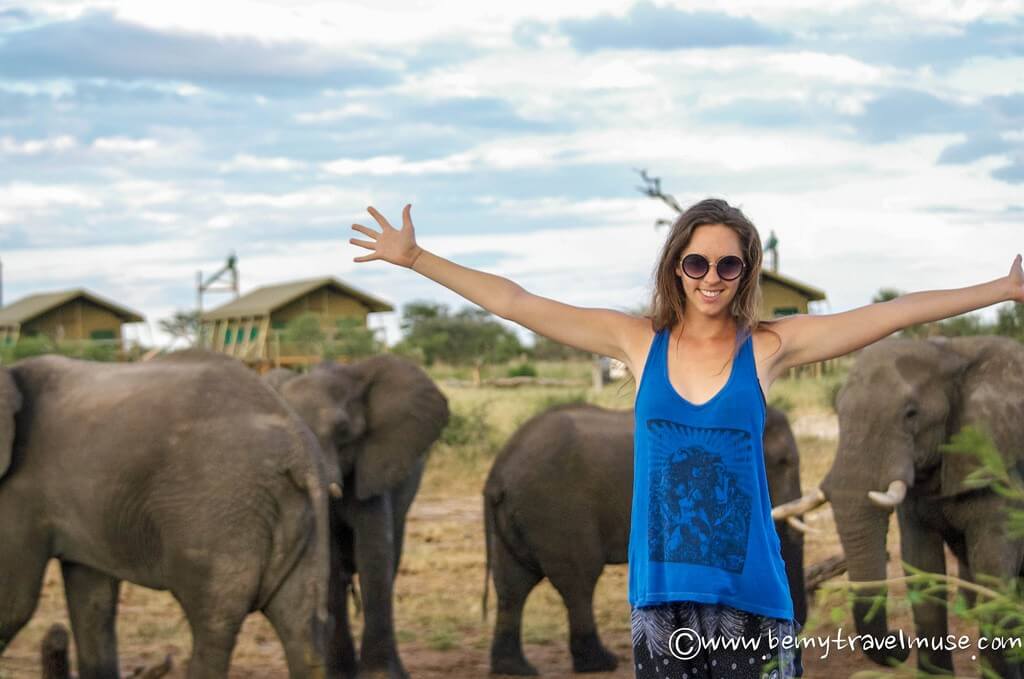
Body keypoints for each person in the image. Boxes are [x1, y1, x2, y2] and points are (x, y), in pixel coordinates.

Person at [348, 198, 1023, 678]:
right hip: (662, 601)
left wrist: (1000, 287)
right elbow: (516, 301)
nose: (710, 278)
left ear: (746, 272)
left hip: (755, 598)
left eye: (727, 266)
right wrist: (416, 259)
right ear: (676, 266)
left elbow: (889, 313)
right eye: (697, 263)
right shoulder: (638, 342)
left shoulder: (768, 347)